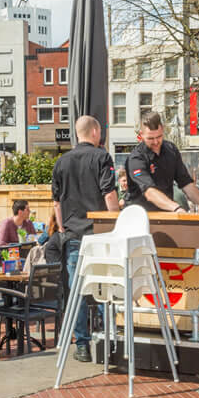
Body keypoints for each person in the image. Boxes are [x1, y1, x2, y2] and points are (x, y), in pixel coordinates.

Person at [51, 116, 119, 362]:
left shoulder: (61, 162)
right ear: (94, 131)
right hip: (99, 234)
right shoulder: (101, 157)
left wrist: (62, 228)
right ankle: (110, 340)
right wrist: (117, 223)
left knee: (77, 290)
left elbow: (57, 202)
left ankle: (82, 344)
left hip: (73, 235)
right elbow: (109, 194)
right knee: (105, 287)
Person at [124, 111, 199, 212]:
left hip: (166, 213)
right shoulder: (136, 158)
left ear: (163, 130)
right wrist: (176, 208)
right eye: (150, 138)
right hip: (140, 216)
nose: (155, 142)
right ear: (141, 135)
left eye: (159, 137)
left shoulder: (171, 150)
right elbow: (149, 192)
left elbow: (186, 183)